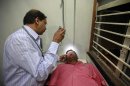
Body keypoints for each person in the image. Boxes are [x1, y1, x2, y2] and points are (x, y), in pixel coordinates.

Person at [3, 9, 65, 86]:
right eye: (45, 23)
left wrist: (57, 58)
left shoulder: (28, 37)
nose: (45, 27)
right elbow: (40, 73)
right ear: (37, 21)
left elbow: (37, 59)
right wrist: (55, 42)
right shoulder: (20, 39)